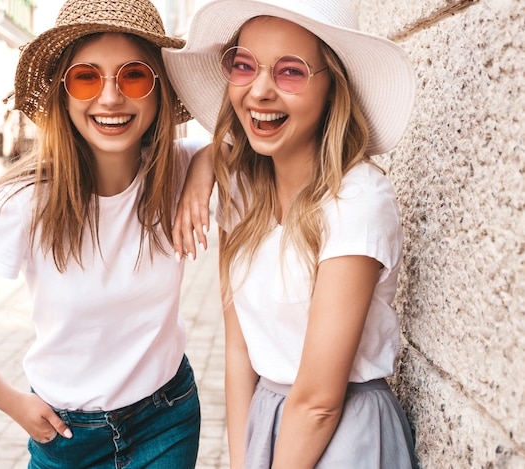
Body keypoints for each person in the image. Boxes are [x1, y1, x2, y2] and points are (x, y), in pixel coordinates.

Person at [0, 0, 207, 467]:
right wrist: (7, 400)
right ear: (63, 94)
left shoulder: (179, 170)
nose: (110, 97)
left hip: (166, 417)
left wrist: (202, 171)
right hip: (66, 437)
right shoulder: (27, 201)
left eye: (134, 76)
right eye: (87, 76)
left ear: (159, 90)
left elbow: (244, 138)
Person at [163, 0, 418, 467]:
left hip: (342, 432)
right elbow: (239, 348)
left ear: (333, 87)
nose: (260, 90)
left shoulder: (357, 199)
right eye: (244, 65)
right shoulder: (241, 193)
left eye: (291, 71)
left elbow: (320, 402)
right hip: (268, 419)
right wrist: (241, 460)